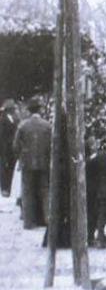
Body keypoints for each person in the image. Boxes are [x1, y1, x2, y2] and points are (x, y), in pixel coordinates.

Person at [13, 96, 51, 229]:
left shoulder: (22, 125)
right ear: (40, 110)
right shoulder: (48, 126)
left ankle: (28, 222)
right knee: (45, 190)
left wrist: (22, 155)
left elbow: (15, 146)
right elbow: (52, 146)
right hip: (44, 162)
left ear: (29, 110)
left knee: (27, 191)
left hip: (27, 162)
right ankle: (47, 219)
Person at [0, 100, 19, 197]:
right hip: (5, 147)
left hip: (11, 147)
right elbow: (2, 135)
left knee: (11, 166)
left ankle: (9, 187)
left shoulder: (14, 119)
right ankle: (5, 188)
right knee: (4, 166)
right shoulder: (3, 119)